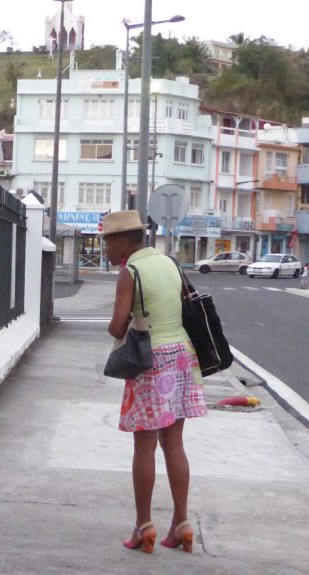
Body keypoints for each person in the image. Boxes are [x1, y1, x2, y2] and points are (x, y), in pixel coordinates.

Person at [102, 211, 208, 554]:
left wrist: (123, 318)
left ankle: (144, 526)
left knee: (144, 448)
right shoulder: (170, 264)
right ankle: (182, 523)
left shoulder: (130, 272)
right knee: (174, 444)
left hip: (151, 362)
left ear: (123, 241)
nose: (105, 246)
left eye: (107, 240)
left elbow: (118, 328)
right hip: (181, 357)